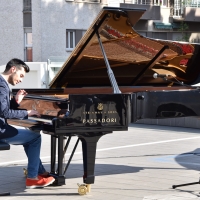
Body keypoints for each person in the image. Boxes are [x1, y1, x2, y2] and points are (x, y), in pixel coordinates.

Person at [0, 58, 55, 189]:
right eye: (21, 75)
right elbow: (4, 113)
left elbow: (2, 110)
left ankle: (39, 171)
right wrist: (28, 113)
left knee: (29, 137)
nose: (21, 80)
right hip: (0, 130)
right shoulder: (2, 85)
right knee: (35, 138)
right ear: (13, 69)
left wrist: (16, 102)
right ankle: (32, 178)